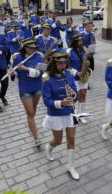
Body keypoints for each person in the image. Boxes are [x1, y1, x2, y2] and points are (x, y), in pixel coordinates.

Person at [42, 48, 79, 180]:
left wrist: (73, 93)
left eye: (64, 63)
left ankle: (70, 166)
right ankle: (49, 147)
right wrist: (60, 103)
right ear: (54, 63)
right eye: (59, 64)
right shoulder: (47, 78)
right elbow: (46, 101)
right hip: (55, 113)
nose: (63, 66)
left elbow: (76, 93)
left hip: (69, 111)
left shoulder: (69, 75)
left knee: (72, 138)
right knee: (58, 140)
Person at [10, 37, 45, 147]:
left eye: (34, 48)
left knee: (33, 111)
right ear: (24, 48)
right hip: (24, 88)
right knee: (30, 112)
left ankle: (31, 124)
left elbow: (40, 73)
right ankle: (36, 138)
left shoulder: (39, 57)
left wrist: (26, 69)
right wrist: (12, 73)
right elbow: (15, 72)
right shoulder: (17, 57)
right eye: (30, 48)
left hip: (37, 87)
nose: (33, 50)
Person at [68, 32, 90, 124]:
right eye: (79, 41)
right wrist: (77, 73)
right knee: (75, 97)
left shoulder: (83, 50)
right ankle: (74, 113)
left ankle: (81, 115)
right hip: (74, 78)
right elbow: (66, 67)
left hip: (83, 76)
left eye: (81, 40)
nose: (81, 42)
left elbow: (86, 61)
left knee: (83, 95)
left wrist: (88, 63)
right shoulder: (69, 52)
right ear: (74, 42)